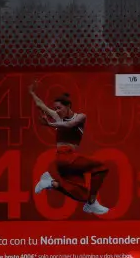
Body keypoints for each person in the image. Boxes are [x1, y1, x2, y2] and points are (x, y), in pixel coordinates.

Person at [29, 80, 110, 216]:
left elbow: (69, 125)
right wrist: (32, 93)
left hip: (67, 160)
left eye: (59, 108)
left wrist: (49, 124)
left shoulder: (80, 117)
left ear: (68, 106)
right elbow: (41, 105)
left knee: (81, 194)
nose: (56, 111)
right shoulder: (57, 117)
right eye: (55, 109)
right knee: (101, 167)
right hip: (65, 156)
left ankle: (50, 183)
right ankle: (92, 201)